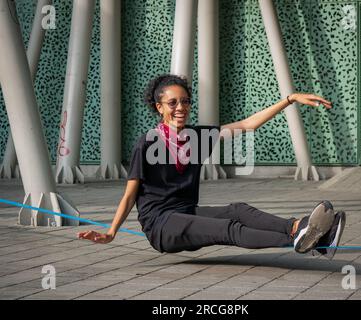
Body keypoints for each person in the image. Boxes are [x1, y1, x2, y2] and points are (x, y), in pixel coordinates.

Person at [78, 74, 346, 259]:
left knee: (239, 210)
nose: (181, 107)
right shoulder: (147, 144)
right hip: (161, 226)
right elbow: (129, 195)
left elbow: (247, 125)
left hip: (186, 212)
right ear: (159, 107)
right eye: (173, 103)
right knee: (228, 228)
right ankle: (302, 242)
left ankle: (298, 228)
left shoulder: (197, 136)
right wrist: (111, 232)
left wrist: (290, 99)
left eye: (185, 101)